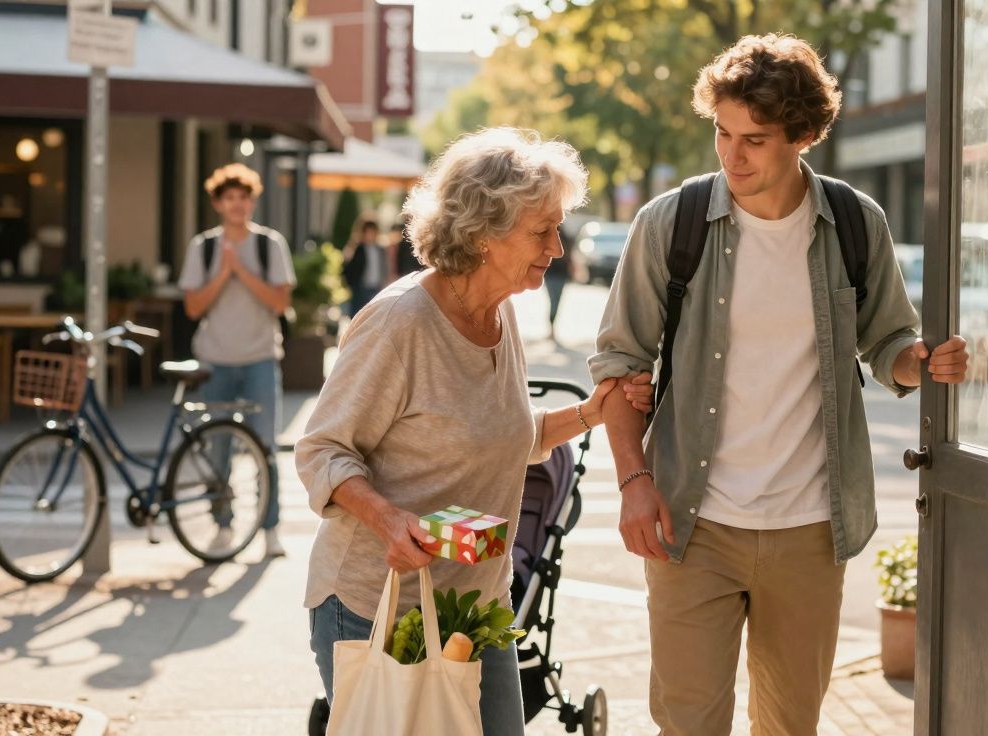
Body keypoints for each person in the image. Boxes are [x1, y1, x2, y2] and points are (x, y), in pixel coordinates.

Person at [590, 35, 970, 735]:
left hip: (808, 528)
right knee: (688, 723)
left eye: (754, 140)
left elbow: (886, 341)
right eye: (722, 134)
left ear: (803, 135)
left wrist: (922, 362)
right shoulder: (669, 224)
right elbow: (619, 361)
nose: (732, 157)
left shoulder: (856, 224)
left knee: (790, 726)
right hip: (690, 523)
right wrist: (633, 482)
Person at [295, 128, 653, 733]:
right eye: (542, 231)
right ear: (484, 233)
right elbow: (321, 452)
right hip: (379, 607)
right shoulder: (399, 324)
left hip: (478, 606)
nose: (558, 248)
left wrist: (595, 409)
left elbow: (507, 438)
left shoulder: (500, 312)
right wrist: (388, 518)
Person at [179, 162, 295, 559]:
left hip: (260, 359)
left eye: (243, 198)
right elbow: (193, 307)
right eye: (229, 198)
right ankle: (222, 526)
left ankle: (270, 529)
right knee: (218, 449)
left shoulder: (269, 244)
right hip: (215, 361)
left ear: (252, 201)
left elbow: (280, 302)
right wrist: (221, 272)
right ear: (217, 203)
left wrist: (240, 271)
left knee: (265, 448)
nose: (237, 205)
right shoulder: (204, 246)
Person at [342, 215, 391, 318]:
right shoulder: (358, 249)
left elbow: (383, 266)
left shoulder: (380, 249)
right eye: (368, 232)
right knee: (358, 316)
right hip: (361, 288)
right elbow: (348, 269)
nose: (370, 235)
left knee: (374, 317)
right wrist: (353, 285)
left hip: (376, 287)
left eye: (373, 232)